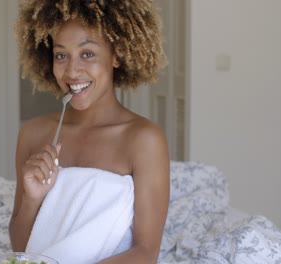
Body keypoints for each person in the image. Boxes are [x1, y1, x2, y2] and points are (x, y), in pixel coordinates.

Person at [9, 1, 170, 263]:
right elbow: (19, 246)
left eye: (87, 54)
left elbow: (146, 252)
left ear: (116, 54)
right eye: (61, 55)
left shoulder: (144, 139)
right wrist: (31, 199)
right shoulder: (33, 134)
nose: (72, 71)